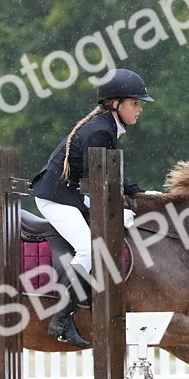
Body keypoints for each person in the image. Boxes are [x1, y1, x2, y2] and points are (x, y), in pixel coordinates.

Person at [30, 68, 152, 348]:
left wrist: (142, 193)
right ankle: (60, 319)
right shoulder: (100, 131)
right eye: (135, 103)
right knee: (87, 248)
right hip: (56, 197)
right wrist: (116, 211)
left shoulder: (107, 127)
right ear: (115, 104)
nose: (139, 109)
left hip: (69, 193)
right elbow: (99, 183)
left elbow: (110, 175)